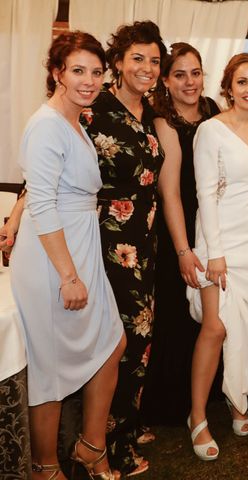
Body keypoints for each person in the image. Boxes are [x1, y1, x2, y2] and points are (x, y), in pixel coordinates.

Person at [10, 31, 125, 480]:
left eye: (97, 72)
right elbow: (42, 201)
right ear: (57, 72)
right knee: (50, 368)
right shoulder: (46, 124)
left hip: (80, 245)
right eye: (78, 70)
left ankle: (90, 447)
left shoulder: (75, 120)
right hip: (53, 256)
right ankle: (45, 466)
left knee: (112, 342)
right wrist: (68, 275)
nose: (89, 80)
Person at [185, 53, 248, 460]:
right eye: (242, 82)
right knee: (217, 327)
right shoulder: (210, 130)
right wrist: (216, 253)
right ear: (228, 87)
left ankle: (238, 399)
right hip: (219, 238)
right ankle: (197, 416)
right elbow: (205, 193)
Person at [84, 20, 167, 476]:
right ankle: (107, 445)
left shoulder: (146, 111)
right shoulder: (93, 107)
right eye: (138, 58)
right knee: (123, 341)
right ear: (116, 62)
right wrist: (17, 217)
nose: (147, 67)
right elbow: (51, 168)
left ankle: (125, 426)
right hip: (107, 241)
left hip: (144, 240)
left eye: (154, 61)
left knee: (141, 339)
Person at [141, 42, 221, 427]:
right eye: (179, 74)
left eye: (195, 72)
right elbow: (169, 192)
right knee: (176, 313)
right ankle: (170, 405)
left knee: (210, 315)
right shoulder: (163, 123)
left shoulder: (214, 112)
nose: (190, 82)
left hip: (213, 224)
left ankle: (208, 395)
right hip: (180, 227)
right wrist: (183, 250)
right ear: (166, 82)